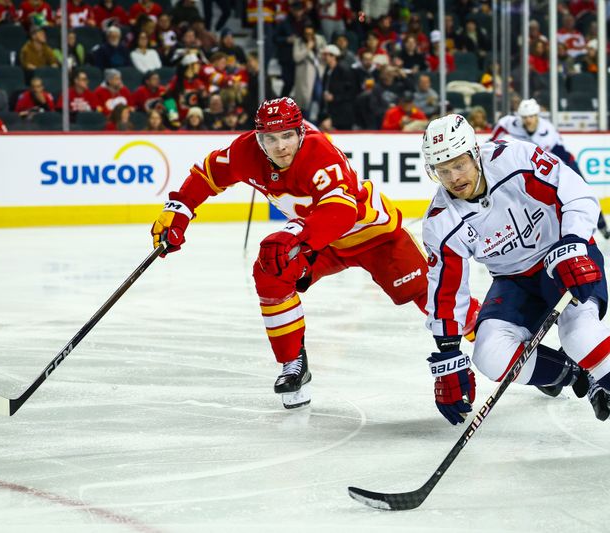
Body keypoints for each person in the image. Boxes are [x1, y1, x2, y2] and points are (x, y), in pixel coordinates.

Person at [150, 97, 479, 409]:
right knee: (270, 271)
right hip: (322, 243)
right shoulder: (244, 152)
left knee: (434, 299)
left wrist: (294, 234)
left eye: (287, 136)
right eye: (270, 139)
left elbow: (340, 212)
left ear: (301, 132)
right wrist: (179, 209)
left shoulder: (320, 153)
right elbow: (208, 174)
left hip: (375, 238)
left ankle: (500, 338)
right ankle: (293, 362)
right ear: (258, 138)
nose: (280, 146)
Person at [419, 114, 610, 460]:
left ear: (475, 152)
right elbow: (446, 290)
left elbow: (576, 193)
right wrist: (447, 354)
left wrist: (574, 243)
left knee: (580, 334)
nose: (453, 178)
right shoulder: (441, 222)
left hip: (562, 259)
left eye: (459, 164)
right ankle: (578, 374)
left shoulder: (516, 160)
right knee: (490, 355)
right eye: (442, 170)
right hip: (513, 280)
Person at [491, 98, 610, 240]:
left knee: (582, 193)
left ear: (537, 116)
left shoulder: (546, 132)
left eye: (531, 116)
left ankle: (602, 226)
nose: (528, 120)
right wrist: (491, 143)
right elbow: (501, 126)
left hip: (563, 162)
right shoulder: (512, 123)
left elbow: (547, 159)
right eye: (525, 117)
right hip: (539, 163)